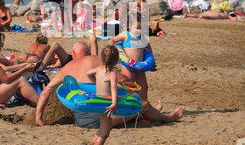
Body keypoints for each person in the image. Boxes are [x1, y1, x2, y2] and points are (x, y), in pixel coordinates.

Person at [35, 37, 185, 128]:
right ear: (89, 53)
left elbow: (46, 92)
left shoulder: (65, 69)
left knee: (130, 106)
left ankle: (145, 113)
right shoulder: (97, 61)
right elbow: (123, 80)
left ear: (72, 54)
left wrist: (39, 118)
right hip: (103, 118)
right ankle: (169, 117)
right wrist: (137, 96)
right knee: (144, 104)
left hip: (81, 120)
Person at [85, 45, 119, 145]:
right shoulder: (112, 73)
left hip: (98, 102)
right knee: (105, 131)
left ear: (102, 58)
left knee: (105, 127)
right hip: (105, 104)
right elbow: (114, 88)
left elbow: (88, 73)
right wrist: (114, 103)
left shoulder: (99, 69)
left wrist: (96, 82)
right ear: (117, 60)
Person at [108, 13, 151, 101]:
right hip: (128, 67)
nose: (139, 30)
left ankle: (144, 106)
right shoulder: (126, 35)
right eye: (137, 27)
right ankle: (127, 105)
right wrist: (114, 50)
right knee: (128, 88)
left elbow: (148, 46)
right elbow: (111, 40)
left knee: (144, 87)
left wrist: (151, 58)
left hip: (140, 67)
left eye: (141, 27)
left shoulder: (143, 37)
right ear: (130, 25)